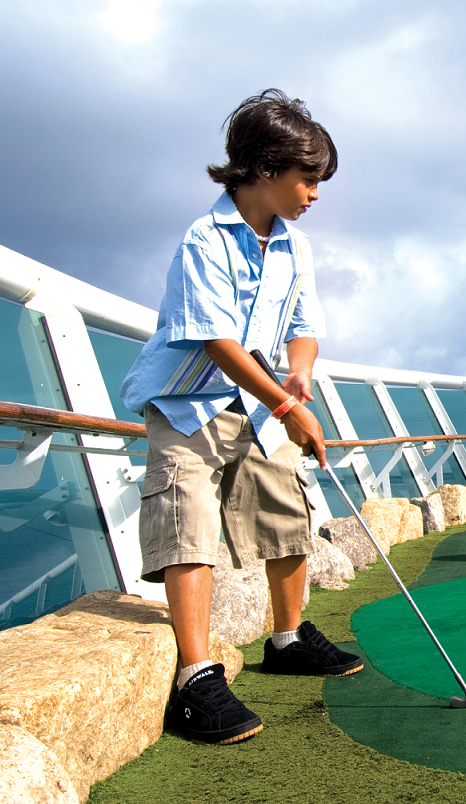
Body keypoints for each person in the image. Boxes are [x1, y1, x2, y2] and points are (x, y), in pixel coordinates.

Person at [120, 89, 362, 746]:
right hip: (186, 403)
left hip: (256, 401)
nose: (314, 193)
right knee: (187, 521)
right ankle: (196, 677)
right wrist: (287, 405)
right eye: (306, 178)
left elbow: (304, 326)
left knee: (286, 508)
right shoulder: (204, 240)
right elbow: (217, 342)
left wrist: (298, 377)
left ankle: (285, 641)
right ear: (262, 168)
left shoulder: (294, 246)